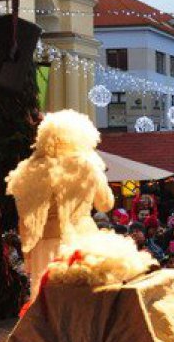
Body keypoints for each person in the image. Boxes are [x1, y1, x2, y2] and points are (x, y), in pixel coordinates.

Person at [7, 110, 115, 304]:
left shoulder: (28, 169)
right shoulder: (86, 164)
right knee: (81, 301)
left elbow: (24, 218)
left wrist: (28, 257)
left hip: (43, 244)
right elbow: (105, 204)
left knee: (46, 304)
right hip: (81, 240)